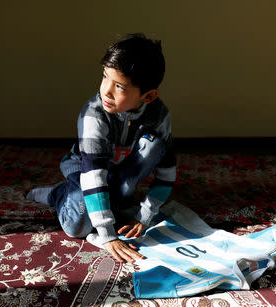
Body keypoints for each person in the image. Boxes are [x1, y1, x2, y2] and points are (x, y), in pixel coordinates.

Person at [27, 33, 176, 263]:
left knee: (155, 146)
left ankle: (116, 197)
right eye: (105, 77)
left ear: (148, 96)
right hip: (86, 170)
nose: (106, 91)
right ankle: (58, 193)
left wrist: (145, 216)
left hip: (121, 171)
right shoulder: (93, 114)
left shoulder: (159, 116)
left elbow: (166, 172)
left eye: (118, 86)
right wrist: (107, 236)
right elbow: (94, 175)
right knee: (78, 225)